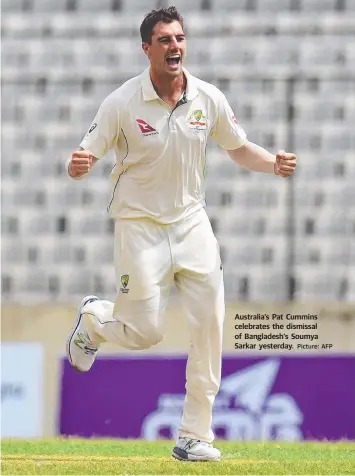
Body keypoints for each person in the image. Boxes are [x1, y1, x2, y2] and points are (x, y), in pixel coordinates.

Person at [65, 6, 297, 462]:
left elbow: (237, 147)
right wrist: (79, 167)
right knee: (146, 331)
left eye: (179, 38)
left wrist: (272, 163)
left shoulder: (207, 98)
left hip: (193, 225)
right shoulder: (121, 103)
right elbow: (85, 155)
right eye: (165, 40)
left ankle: (194, 435)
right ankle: (95, 318)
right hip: (139, 228)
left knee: (210, 323)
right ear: (146, 48)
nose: (175, 47)